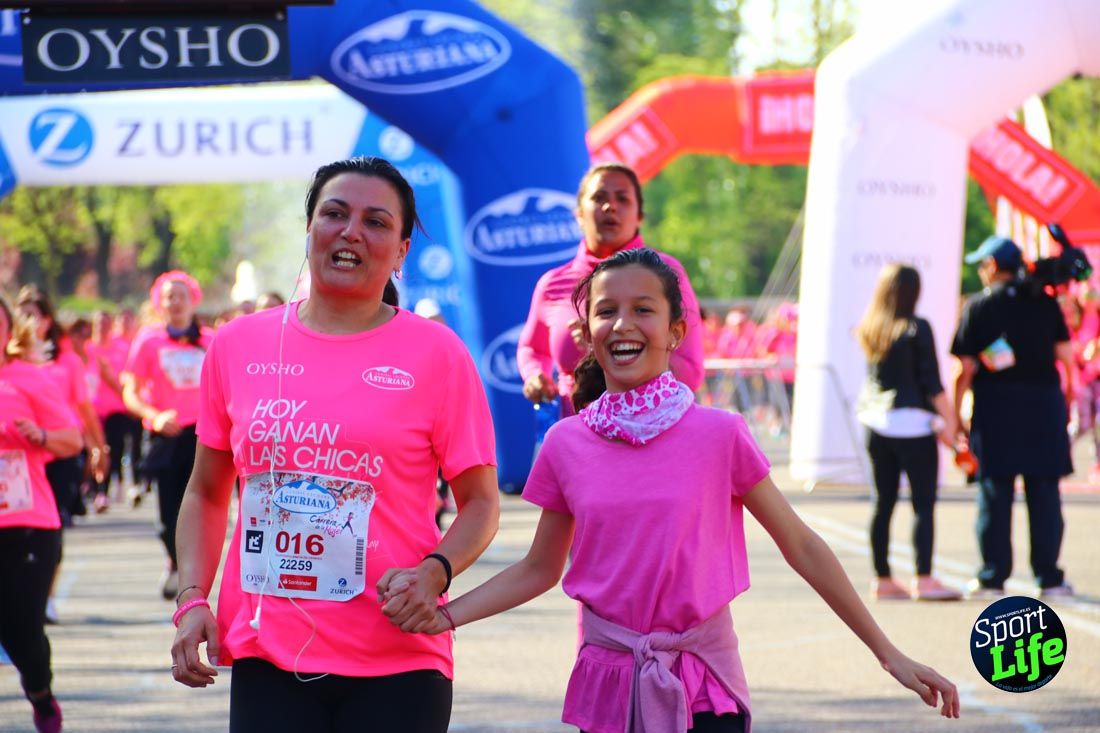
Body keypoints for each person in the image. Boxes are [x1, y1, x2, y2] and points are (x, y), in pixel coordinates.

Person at [386, 248, 960, 732]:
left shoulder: (721, 434)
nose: (623, 323)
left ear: (675, 330)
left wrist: (889, 654)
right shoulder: (566, 444)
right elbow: (540, 568)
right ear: (587, 334)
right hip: (606, 689)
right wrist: (447, 615)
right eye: (606, 311)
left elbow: (802, 545)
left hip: (704, 688)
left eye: (643, 309)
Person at [169, 156, 500, 733]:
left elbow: (481, 503)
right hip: (269, 652)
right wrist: (193, 597)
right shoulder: (238, 345)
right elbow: (205, 491)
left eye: (376, 222)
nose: (351, 232)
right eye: (335, 214)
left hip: (398, 655)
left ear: (400, 251)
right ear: (309, 228)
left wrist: (435, 573)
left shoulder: (437, 354)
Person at [517, 163, 704, 417]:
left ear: (639, 215)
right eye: (599, 198)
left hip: (652, 436)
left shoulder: (667, 273)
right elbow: (532, 349)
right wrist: (536, 376)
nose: (610, 207)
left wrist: (604, 347)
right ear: (579, 214)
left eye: (623, 198)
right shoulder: (552, 284)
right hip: (574, 438)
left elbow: (690, 370)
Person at [951, 235, 1075, 599]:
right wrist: (1063, 399)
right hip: (1043, 407)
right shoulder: (1045, 303)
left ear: (992, 266)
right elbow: (1066, 358)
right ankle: (1049, 578)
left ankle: (992, 577)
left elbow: (967, 368)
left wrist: (960, 412)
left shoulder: (979, 307)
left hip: (996, 409)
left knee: (995, 492)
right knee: (1045, 492)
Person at [0, 297, 83, 733]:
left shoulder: (27, 378)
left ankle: (40, 694)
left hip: (27, 523)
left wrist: (42, 435)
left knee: (23, 629)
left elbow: (72, 440)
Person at [854, 264, 961, 601]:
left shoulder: (872, 328)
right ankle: (924, 578)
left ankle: (882, 579)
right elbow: (931, 381)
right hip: (914, 424)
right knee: (923, 504)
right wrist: (952, 424)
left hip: (876, 422)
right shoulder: (917, 328)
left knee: (882, 503)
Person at [121, 270, 215, 599]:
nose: (174, 302)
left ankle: (193, 576)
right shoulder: (149, 340)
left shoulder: (211, 340)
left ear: (193, 300)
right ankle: (174, 560)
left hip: (204, 436)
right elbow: (130, 392)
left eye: (181, 296)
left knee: (204, 507)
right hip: (167, 434)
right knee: (167, 518)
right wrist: (155, 416)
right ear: (159, 303)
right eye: (168, 296)